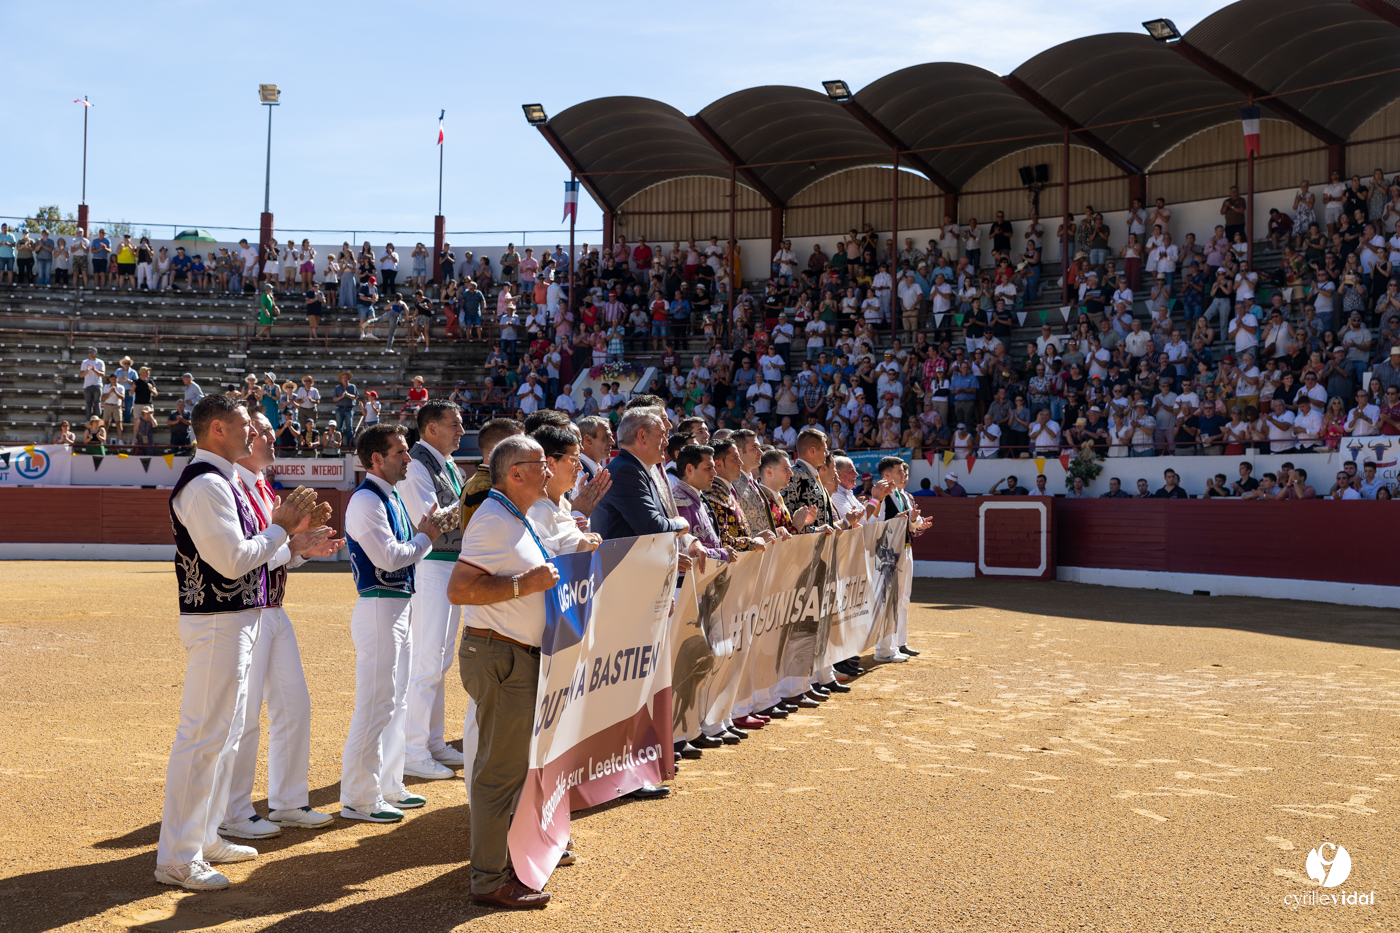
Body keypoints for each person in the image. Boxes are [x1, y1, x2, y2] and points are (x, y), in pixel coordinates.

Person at [155, 395, 329, 891]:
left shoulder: (220, 482)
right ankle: (178, 855)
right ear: (216, 430)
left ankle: (203, 836)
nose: (253, 436)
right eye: (243, 429)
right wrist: (279, 528)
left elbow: (248, 559)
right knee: (204, 736)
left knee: (221, 735)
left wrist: (288, 542)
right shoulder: (208, 484)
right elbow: (233, 561)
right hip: (217, 620)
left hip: (233, 617)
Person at [446, 434, 561, 909]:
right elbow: (459, 590)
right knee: (499, 772)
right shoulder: (494, 520)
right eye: (541, 463)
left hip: (510, 654)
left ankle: (503, 864)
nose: (549, 470)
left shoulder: (512, 515)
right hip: (502, 656)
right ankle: (489, 880)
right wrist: (525, 583)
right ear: (516, 473)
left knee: (509, 767)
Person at [220, 410, 343, 842]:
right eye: (260, 432)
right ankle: (233, 810)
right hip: (246, 609)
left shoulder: (261, 489)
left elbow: (275, 553)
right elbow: (241, 557)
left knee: (294, 705)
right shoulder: (231, 487)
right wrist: (289, 544)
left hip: (273, 605)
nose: (269, 438)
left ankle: (289, 802)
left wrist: (303, 550)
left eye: (270, 431)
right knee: (245, 714)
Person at [340, 424, 445, 825]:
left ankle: (387, 783)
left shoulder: (388, 496)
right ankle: (359, 796)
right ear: (377, 460)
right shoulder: (367, 500)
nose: (408, 458)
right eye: (401, 452)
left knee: (395, 700)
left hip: (394, 606)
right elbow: (388, 558)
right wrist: (426, 538)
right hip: (380, 606)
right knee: (375, 703)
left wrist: (421, 538)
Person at [396, 401, 470, 781]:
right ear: (430, 429)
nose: (461, 430)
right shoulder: (417, 466)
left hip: (448, 565)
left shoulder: (446, 463)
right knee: (428, 659)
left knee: (438, 659)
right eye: (453, 425)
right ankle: (412, 749)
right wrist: (477, 503)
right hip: (430, 566)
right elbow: (433, 519)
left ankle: (432, 741)